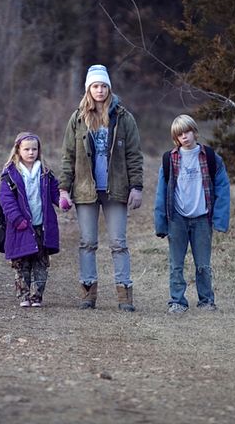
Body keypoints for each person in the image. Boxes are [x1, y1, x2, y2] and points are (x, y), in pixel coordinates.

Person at [59, 64, 144, 311]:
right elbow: (68, 155)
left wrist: (136, 187)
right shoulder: (77, 118)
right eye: (95, 86)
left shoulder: (124, 117)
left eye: (103, 86)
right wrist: (64, 189)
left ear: (109, 88)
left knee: (118, 242)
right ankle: (88, 293)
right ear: (88, 89)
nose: (99, 90)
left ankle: (124, 295)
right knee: (87, 242)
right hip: (86, 189)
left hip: (116, 188)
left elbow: (134, 154)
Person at [153, 114, 231, 314]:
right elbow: (161, 193)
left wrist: (220, 219)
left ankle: (206, 300)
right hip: (177, 218)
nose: (184, 137)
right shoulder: (169, 159)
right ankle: (177, 301)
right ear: (175, 138)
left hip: (202, 218)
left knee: (203, 264)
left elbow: (223, 188)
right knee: (175, 264)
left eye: (187, 131)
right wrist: (161, 223)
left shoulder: (211, 157)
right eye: (179, 134)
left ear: (194, 132)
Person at [0, 132, 62, 308]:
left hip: (42, 225)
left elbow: (55, 193)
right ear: (18, 150)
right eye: (26, 149)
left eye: (34, 149)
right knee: (22, 263)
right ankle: (24, 295)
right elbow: (6, 200)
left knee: (40, 263)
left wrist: (62, 201)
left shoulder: (45, 173)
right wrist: (17, 219)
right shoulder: (10, 174)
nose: (31, 152)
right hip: (20, 227)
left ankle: (37, 296)